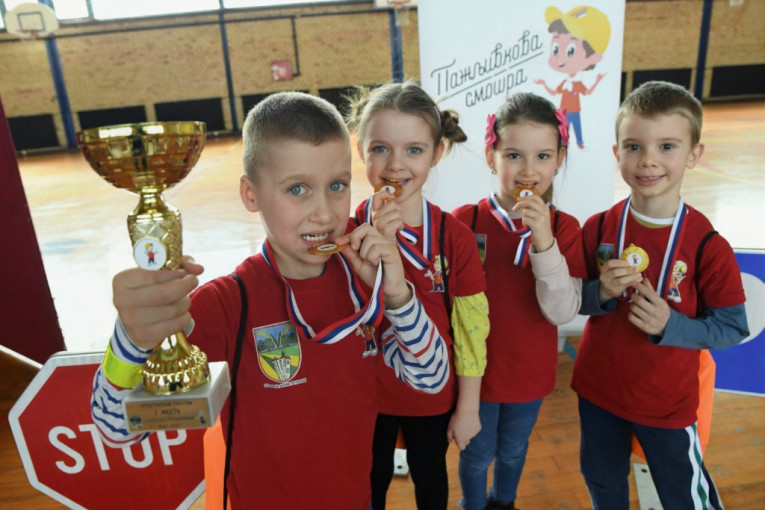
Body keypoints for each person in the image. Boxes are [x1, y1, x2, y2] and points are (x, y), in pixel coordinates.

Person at [90, 91, 453, 509]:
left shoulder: (363, 285)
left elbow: (430, 379)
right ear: (251, 195)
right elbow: (116, 429)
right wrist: (131, 340)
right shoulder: (227, 305)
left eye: (337, 186)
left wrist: (398, 295)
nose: (324, 213)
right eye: (297, 189)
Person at [574, 80, 749, 509]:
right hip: (598, 390)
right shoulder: (598, 227)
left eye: (666, 146)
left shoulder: (708, 245)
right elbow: (574, 300)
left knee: (684, 496)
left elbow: (731, 328)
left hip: (666, 402)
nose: (648, 160)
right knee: (601, 481)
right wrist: (601, 293)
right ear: (617, 153)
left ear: (693, 155)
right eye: (633, 146)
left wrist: (670, 325)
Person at [346, 81, 490, 510]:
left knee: (430, 480)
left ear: (436, 153)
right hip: (366, 396)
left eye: (414, 150)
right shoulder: (348, 233)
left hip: (431, 395)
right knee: (368, 484)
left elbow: (471, 331)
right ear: (361, 150)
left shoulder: (454, 238)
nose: (395, 165)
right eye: (380, 149)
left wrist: (468, 408)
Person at [452, 92, 585, 510]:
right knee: (476, 454)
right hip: (475, 376)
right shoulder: (464, 222)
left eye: (542, 156)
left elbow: (561, 311)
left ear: (559, 159)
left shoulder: (565, 228)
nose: (528, 170)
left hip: (530, 374)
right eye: (513, 155)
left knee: (513, 449)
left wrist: (544, 243)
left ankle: (504, 502)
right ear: (491, 157)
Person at [534, 5, 611, 150]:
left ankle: (579, 142)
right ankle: (564, 145)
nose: (559, 57)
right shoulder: (565, 82)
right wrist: (543, 84)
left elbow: (587, 92)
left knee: (577, 127)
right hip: (563, 113)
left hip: (575, 111)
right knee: (563, 132)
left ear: (593, 58)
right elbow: (554, 92)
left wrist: (597, 80)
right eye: (556, 48)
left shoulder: (576, 83)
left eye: (570, 50)